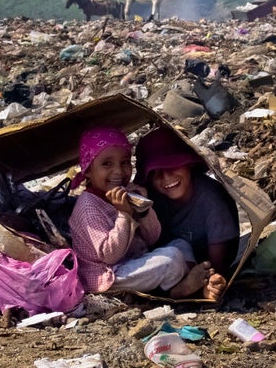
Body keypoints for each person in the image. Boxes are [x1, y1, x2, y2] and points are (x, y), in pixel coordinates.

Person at [68, 126, 221, 300]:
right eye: (107, 164)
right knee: (170, 259)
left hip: (133, 261)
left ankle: (188, 283)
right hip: (108, 276)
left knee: (180, 245)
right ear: (88, 169)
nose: (118, 171)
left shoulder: (124, 193)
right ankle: (175, 292)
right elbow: (110, 256)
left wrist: (143, 209)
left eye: (125, 162)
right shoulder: (88, 206)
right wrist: (124, 215)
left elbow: (152, 238)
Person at [134, 127, 240, 283]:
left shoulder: (211, 200)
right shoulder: (152, 197)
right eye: (156, 172)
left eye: (172, 165)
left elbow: (218, 270)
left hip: (203, 268)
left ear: (189, 164)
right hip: (170, 265)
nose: (166, 177)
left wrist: (206, 283)